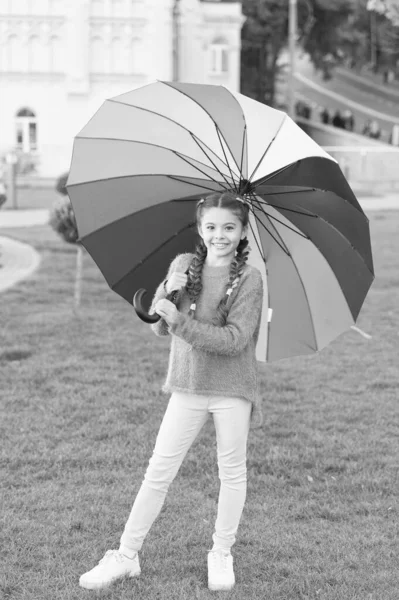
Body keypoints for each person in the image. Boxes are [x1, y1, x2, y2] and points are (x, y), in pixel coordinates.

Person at [79, 191, 264, 592]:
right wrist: (166, 289)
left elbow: (234, 340)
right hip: (187, 385)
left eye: (229, 228)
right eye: (211, 227)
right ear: (200, 228)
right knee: (159, 470)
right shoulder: (183, 266)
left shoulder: (249, 279)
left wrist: (180, 321)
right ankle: (127, 555)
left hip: (232, 389)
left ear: (243, 231)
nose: (219, 235)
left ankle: (221, 551)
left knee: (231, 472)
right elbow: (159, 325)